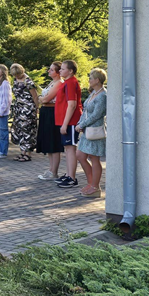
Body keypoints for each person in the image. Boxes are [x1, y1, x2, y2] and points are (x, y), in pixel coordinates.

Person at [76, 68, 107, 197]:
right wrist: (80, 123)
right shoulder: (93, 93)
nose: (88, 80)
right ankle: (91, 183)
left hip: (95, 131)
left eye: (90, 78)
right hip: (87, 130)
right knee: (80, 155)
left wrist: (82, 124)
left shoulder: (103, 95)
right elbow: (86, 111)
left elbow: (96, 115)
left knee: (94, 158)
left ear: (97, 80)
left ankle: (95, 187)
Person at [55, 60, 83, 188]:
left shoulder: (71, 83)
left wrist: (65, 124)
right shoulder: (66, 82)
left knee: (71, 148)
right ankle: (68, 174)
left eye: (63, 69)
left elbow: (72, 104)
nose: (60, 71)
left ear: (70, 71)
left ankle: (72, 178)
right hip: (65, 121)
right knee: (67, 148)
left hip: (70, 121)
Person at [36, 62, 65, 181]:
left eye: (52, 70)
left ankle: (54, 171)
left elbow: (46, 98)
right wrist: (42, 99)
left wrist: (42, 99)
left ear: (58, 72)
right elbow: (42, 98)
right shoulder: (52, 83)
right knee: (48, 142)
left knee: (54, 142)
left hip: (52, 113)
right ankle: (51, 169)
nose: (49, 71)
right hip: (46, 112)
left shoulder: (59, 83)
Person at [9, 63, 39, 162]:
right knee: (19, 130)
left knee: (28, 130)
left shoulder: (28, 81)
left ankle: (28, 154)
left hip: (28, 109)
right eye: (15, 75)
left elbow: (35, 96)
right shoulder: (15, 80)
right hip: (18, 108)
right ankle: (22, 152)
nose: (17, 77)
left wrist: (37, 108)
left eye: (18, 74)